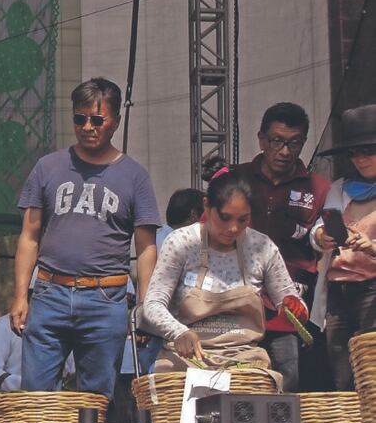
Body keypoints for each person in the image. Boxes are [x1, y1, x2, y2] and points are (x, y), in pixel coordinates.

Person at [11, 77, 159, 398]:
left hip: (105, 298)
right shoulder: (47, 167)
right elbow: (29, 236)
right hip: (49, 292)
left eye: (97, 120)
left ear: (115, 121)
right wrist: (21, 295)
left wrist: (145, 305)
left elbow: (146, 247)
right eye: (80, 119)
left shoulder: (135, 176)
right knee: (36, 397)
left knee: (95, 401)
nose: (87, 127)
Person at [142, 164, 305, 379]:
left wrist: (294, 306)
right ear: (207, 206)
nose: (233, 228)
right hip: (186, 359)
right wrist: (179, 332)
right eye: (225, 218)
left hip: (246, 362)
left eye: (243, 219)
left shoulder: (262, 247)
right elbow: (152, 304)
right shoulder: (181, 242)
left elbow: (288, 299)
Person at [231, 103, 329, 392]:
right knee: (238, 387)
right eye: (277, 141)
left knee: (287, 389)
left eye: (294, 143)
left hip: (289, 313)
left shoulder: (319, 188)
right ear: (261, 139)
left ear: (304, 142)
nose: (285, 151)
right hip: (236, 307)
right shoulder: (235, 178)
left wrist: (325, 238)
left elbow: (323, 241)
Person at [310, 105, 376, 390]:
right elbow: (320, 226)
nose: (360, 159)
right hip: (337, 292)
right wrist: (321, 236)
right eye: (354, 153)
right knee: (343, 377)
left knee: (371, 373)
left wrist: (371, 247)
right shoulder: (341, 187)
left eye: (368, 151)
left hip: (372, 291)